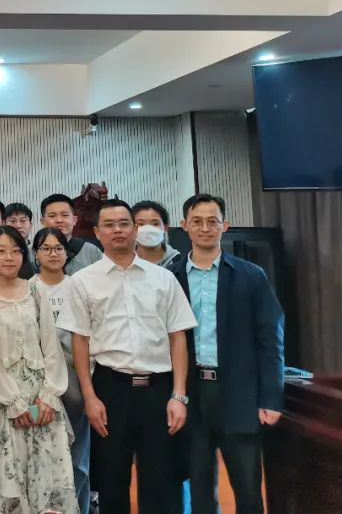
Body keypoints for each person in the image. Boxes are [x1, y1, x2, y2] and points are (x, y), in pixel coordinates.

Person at [56, 199, 197, 514]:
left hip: (159, 390)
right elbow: (80, 342)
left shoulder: (163, 278)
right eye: (109, 225)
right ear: (97, 232)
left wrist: (179, 395)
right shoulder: (83, 281)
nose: (117, 230)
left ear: (135, 229)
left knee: (162, 482)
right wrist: (90, 398)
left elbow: (178, 338)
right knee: (112, 483)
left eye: (124, 223)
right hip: (111, 389)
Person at [168, 194, 284, 514]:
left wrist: (271, 397)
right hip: (192, 393)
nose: (205, 228)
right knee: (200, 487)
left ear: (225, 225)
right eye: (197, 221)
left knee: (247, 488)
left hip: (239, 393)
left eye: (212, 221)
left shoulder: (251, 275)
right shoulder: (171, 277)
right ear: (184, 226)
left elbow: (271, 340)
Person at [0, 225, 77, 514]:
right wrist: (13, 402)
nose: (9, 257)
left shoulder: (35, 290)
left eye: (16, 251)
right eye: (2, 251)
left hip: (42, 400)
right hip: (2, 401)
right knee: (8, 479)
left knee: (48, 480)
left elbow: (51, 346)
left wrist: (49, 395)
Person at [30, 227, 91, 514]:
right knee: (40, 456)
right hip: (37, 386)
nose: (53, 254)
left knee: (77, 460)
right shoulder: (27, 289)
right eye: (46, 248)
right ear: (36, 254)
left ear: (67, 253)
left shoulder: (80, 287)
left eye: (58, 248)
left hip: (76, 384)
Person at [40, 194, 102, 274]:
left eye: (65, 215)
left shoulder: (92, 251)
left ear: (75, 220)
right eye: (52, 216)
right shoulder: (31, 252)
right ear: (43, 222)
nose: (59, 220)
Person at [132, 200, 181, 268]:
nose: (148, 229)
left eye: (155, 224)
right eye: (141, 224)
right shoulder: (123, 261)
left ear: (165, 227)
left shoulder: (179, 263)